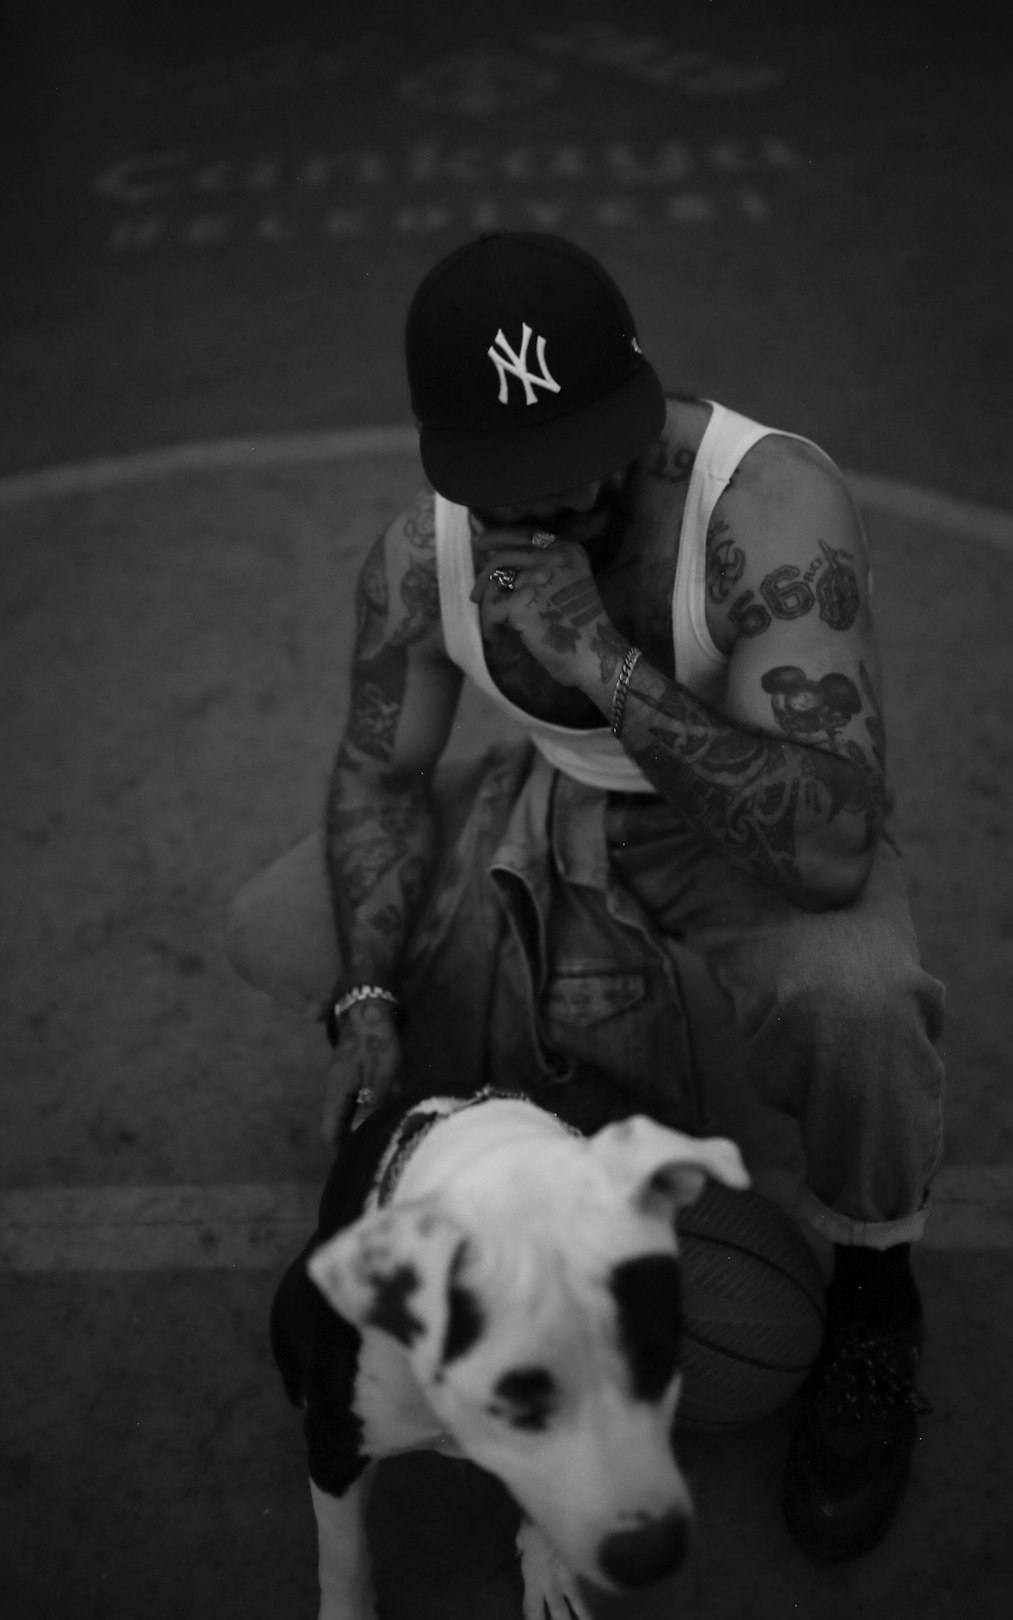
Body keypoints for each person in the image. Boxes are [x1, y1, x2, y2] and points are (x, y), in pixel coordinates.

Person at [227, 231, 945, 1564]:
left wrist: (598, 659)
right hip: (555, 792)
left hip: (746, 815)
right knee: (283, 928)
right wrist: (374, 992)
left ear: (637, 409)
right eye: (514, 483)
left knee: (859, 996)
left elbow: (837, 843)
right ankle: (501, 1098)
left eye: (580, 464)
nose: (548, 507)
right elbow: (381, 782)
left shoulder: (766, 507)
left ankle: (876, 1294)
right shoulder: (420, 557)